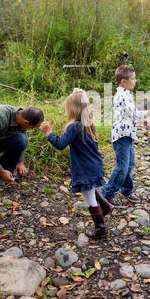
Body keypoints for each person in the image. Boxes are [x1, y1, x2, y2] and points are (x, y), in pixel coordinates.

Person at [40, 88, 113, 239]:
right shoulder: (88, 124)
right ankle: (105, 205)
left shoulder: (74, 127)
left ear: (72, 110)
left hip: (85, 168)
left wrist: (48, 132)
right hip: (95, 165)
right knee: (90, 188)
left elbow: (60, 144)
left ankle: (101, 229)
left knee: (89, 198)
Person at [102, 65, 150, 205]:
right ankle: (107, 194)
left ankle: (126, 191)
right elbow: (134, 113)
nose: (135, 81)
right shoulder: (122, 95)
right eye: (132, 79)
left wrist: (142, 121)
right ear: (123, 81)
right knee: (122, 167)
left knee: (129, 164)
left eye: (134, 78)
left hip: (128, 134)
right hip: (121, 136)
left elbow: (127, 116)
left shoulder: (127, 93)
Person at [0, 104, 44, 185]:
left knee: (22, 139)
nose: (31, 129)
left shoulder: (22, 118)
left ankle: (7, 172)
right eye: (32, 127)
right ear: (26, 122)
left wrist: (20, 162)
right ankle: (0, 172)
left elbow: (22, 143)